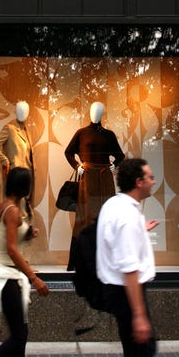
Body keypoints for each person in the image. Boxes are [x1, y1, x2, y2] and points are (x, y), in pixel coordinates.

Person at [95, 157, 159, 357]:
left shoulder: (114, 204)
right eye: (150, 177)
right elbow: (129, 268)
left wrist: (139, 230)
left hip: (118, 291)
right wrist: (139, 315)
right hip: (127, 292)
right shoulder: (127, 216)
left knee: (136, 348)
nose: (154, 181)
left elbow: (116, 240)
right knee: (142, 350)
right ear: (139, 182)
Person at [0, 167, 49, 356]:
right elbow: (12, 250)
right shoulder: (13, 211)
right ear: (25, 188)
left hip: (5, 275)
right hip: (8, 277)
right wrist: (34, 278)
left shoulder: (3, 207)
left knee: (20, 334)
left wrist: (26, 233)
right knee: (19, 336)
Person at [65, 101, 125, 267]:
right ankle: (83, 260)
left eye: (99, 111)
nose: (95, 113)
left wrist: (113, 165)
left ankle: (107, 259)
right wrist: (77, 166)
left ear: (103, 113)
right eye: (93, 110)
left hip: (104, 177)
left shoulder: (109, 134)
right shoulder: (81, 133)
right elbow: (68, 152)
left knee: (107, 215)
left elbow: (120, 155)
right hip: (88, 176)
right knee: (85, 216)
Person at [0, 101, 35, 213]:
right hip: (14, 176)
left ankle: (24, 230)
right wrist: (5, 161)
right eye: (20, 110)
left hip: (27, 178)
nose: (23, 113)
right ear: (15, 112)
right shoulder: (9, 129)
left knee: (25, 212)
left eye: (25, 110)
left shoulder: (27, 132)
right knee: (14, 212)